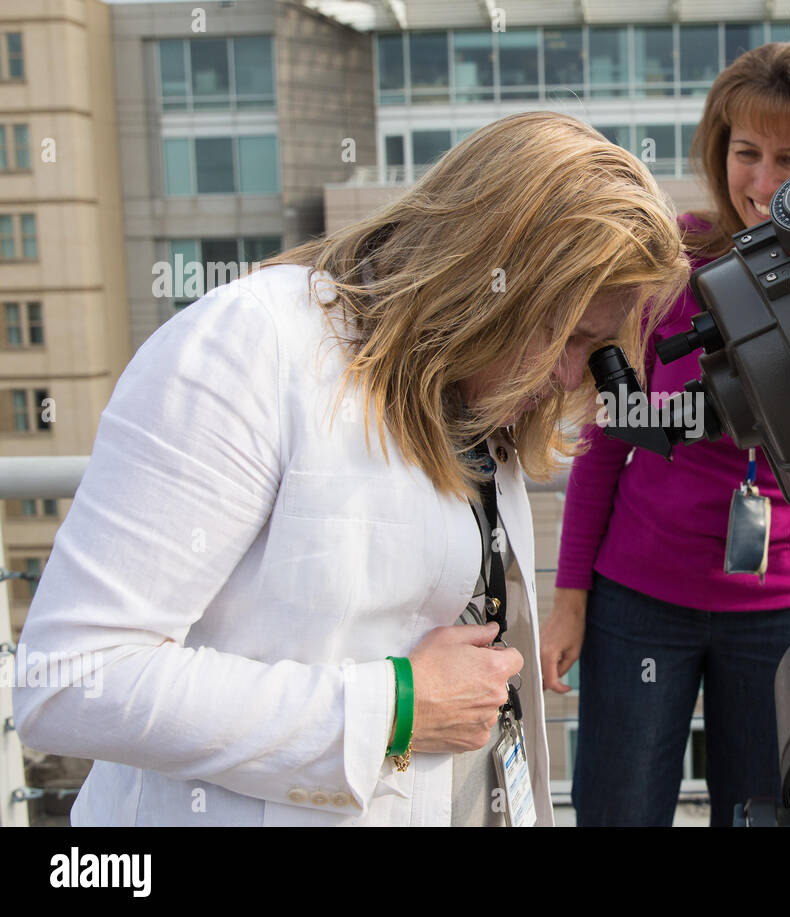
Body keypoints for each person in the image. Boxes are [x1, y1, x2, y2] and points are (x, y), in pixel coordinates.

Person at [13, 111, 688, 826]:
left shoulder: (476, 393)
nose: (565, 374)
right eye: (566, 336)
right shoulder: (246, 347)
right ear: (485, 280)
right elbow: (70, 680)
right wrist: (389, 709)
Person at [541, 43, 790, 827]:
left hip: (788, 607)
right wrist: (570, 602)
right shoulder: (674, 260)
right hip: (639, 600)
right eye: (746, 152)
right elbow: (607, 440)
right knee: (617, 810)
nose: (761, 183)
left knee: (764, 814)